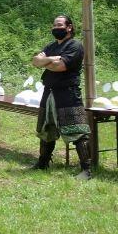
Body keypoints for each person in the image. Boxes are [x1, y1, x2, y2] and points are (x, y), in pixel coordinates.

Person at [30, 14, 92, 180]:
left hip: (68, 93)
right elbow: (35, 61)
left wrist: (46, 62)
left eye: (59, 25)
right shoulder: (51, 46)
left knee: (78, 131)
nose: (55, 28)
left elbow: (60, 66)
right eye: (54, 25)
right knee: (46, 129)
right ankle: (43, 163)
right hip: (49, 91)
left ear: (69, 27)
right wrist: (51, 59)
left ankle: (86, 170)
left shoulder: (75, 46)